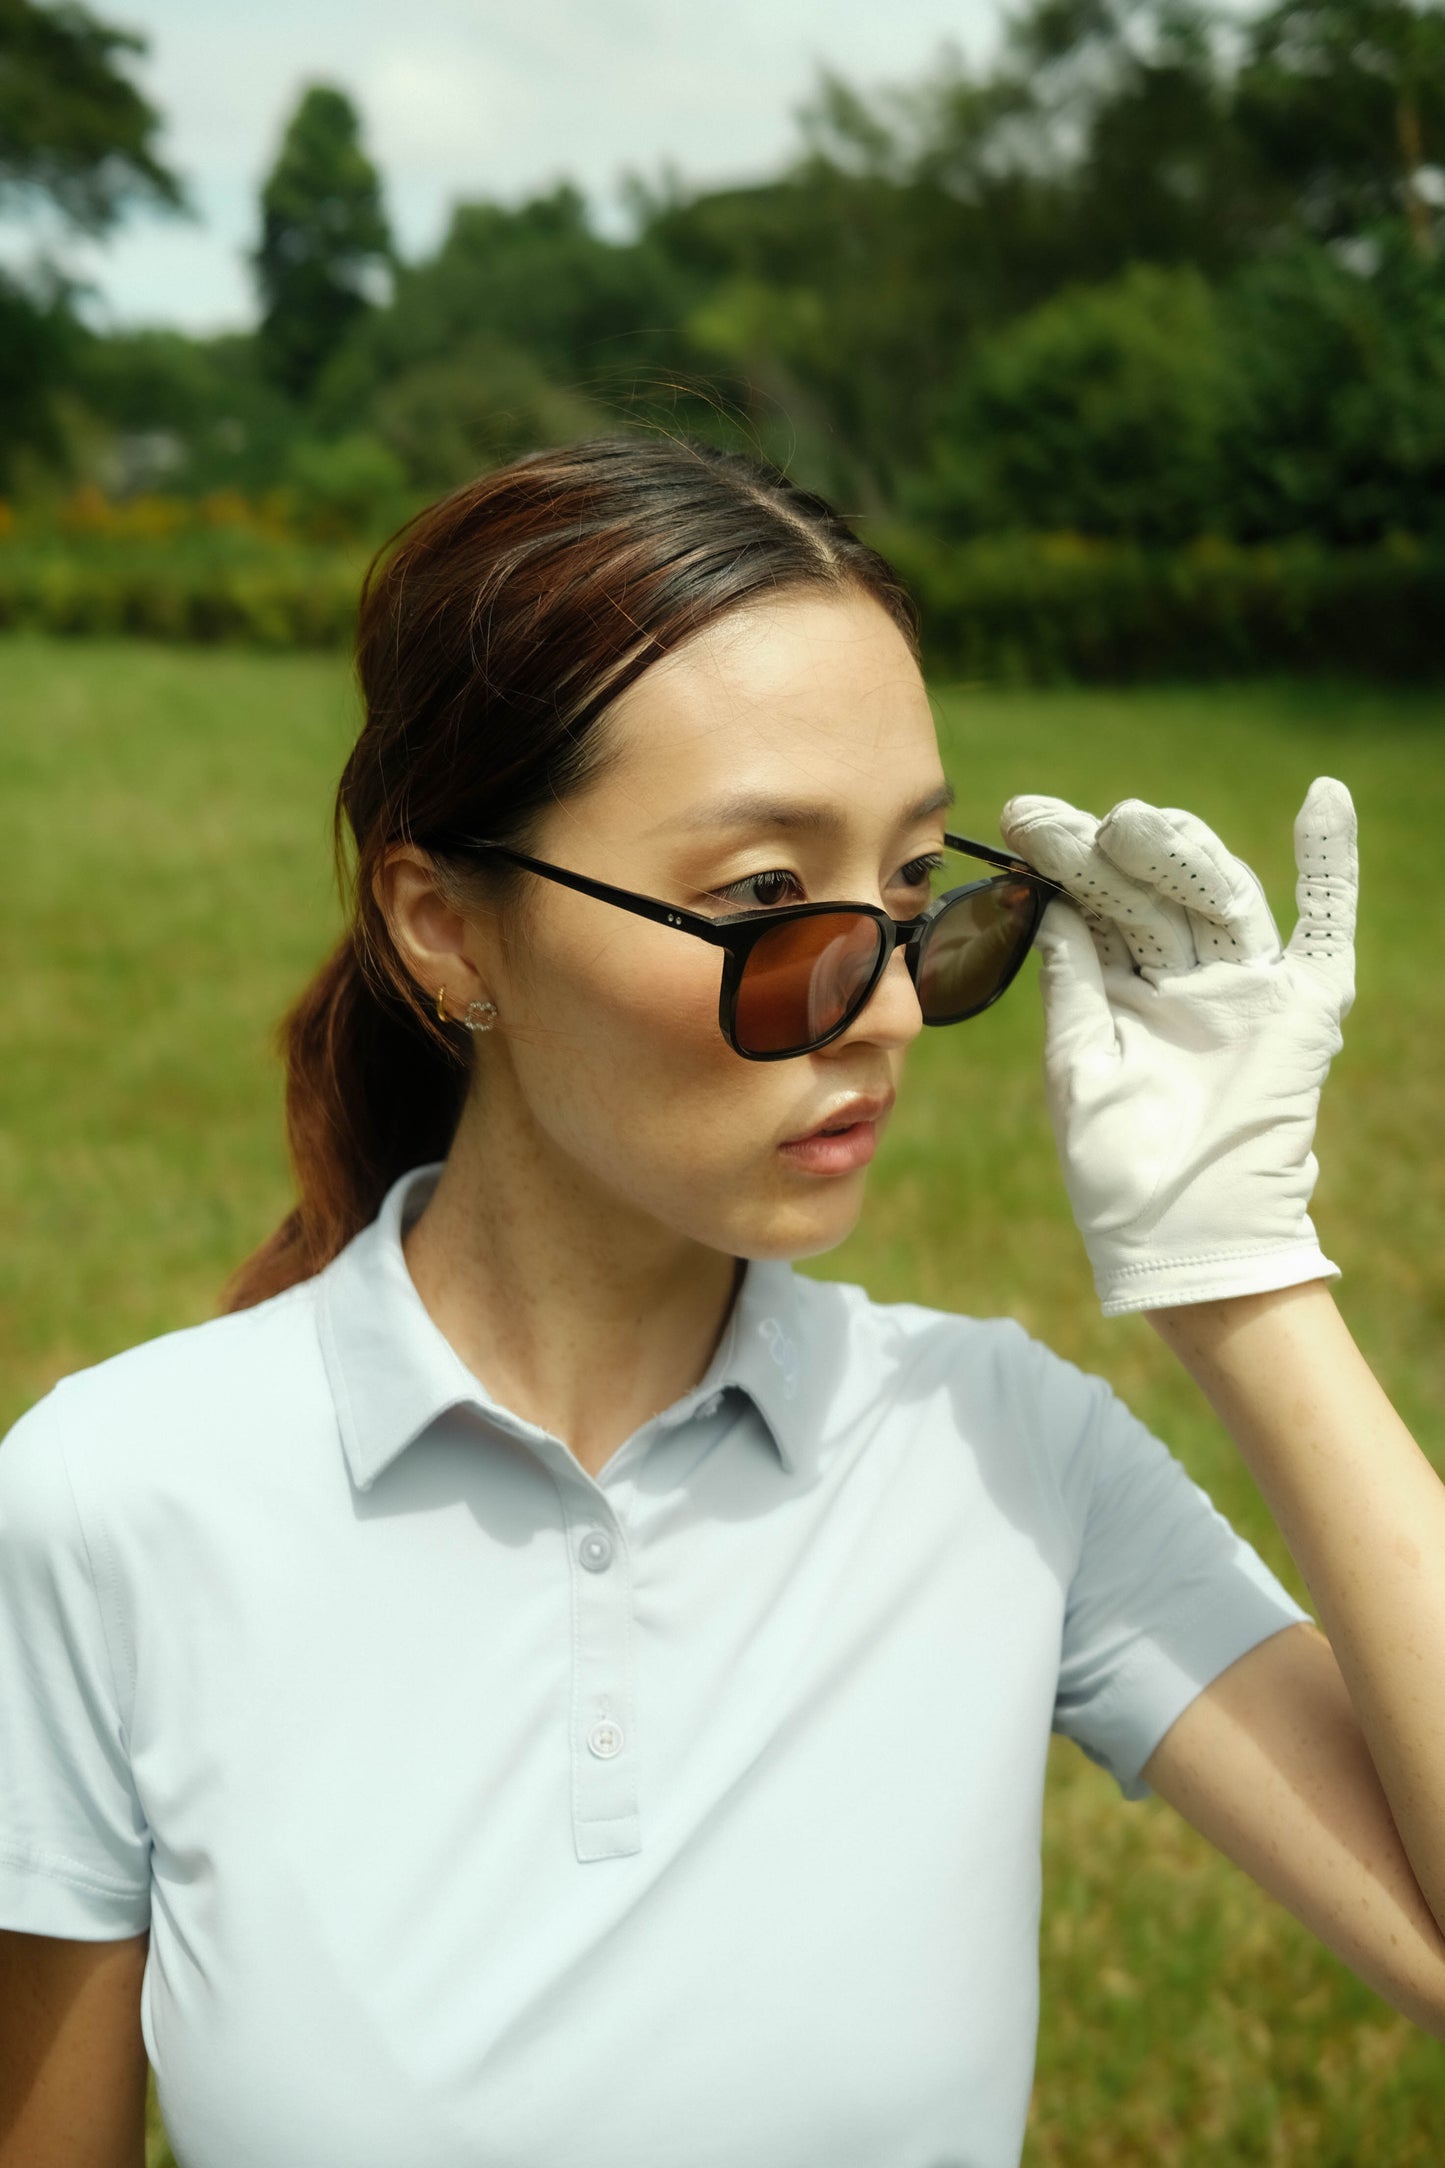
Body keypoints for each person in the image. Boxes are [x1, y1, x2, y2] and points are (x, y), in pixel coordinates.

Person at [1, 434, 1442, 2168]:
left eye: (914, 892)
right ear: (443, 926)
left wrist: (1243, 1283)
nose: (889, 1009)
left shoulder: (1003, 1454)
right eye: (766, 901)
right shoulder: (116, 1500)